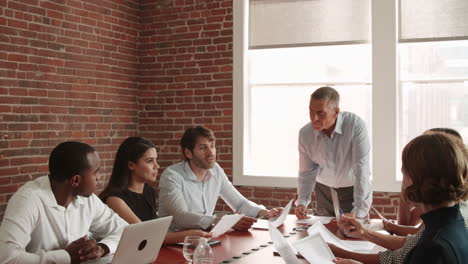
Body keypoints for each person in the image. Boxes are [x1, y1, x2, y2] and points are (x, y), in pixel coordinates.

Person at [333, 132, 468, 264]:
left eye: (404, 172)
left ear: (418, 180)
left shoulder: (433, 247)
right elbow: (409, 246)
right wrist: (364, 232)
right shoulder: (453, 222)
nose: (402, 185)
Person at [0, 141, 127, 264]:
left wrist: (102, 247)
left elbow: (125, 230)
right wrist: (66, 257)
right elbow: (6, 258)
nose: (99, 177)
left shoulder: (89, 200)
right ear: (76, 180)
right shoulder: (27, 200)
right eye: (95, 172)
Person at [158, 125, 282, 231]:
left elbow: (239, 203)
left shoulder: (215, 170)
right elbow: (180, 216)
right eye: (203, 148)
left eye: (212, 146)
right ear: (188, 153)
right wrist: (223, 222)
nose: (210, 152)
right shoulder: (172, 176)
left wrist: (265, 213)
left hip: (203, 238)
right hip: (172, 243)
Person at [99, 137, 211, 243]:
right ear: (131, 165)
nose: (157, 166)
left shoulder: (149, 191)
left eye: (156, 160)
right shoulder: (114, 200)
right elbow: (147, 235)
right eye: (149, 161)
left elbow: (155, 232)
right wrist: (190, 234)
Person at [295, 86, 372, 220]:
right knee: (324, 233)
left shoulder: (355, 125)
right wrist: (302, 202)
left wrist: (359, 211)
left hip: (352, 191)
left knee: (354, 234)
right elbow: (306, 172)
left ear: (336, 112)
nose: (314, 118)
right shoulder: (305, 134)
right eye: (311, 111)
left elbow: (361, 169)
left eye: (321, 113)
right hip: (324, 191)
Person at [388, 128, 465, 236]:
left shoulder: (450, 199)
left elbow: (416, 236)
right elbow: (407, 223)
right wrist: (408, 175)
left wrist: (388, 227)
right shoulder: (436, 198)